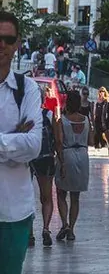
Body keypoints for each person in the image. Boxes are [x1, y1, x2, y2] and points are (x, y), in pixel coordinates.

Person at [0, 10, 41, 274]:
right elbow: (21, 144)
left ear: (17, 45)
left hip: (12, 213)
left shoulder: (27, 90)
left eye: (8, 39)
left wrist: (12, 142)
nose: (1, 45)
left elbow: (34, 145)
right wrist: (12, 138)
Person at [53, 89, 90, 242]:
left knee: (61, 193)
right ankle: (72, 230)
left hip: (67, 154)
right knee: (76, 196)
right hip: (83, 155)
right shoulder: (86, 120)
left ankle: (65, 224)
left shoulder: (62, 120)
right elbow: (91, 140)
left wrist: (61, 162)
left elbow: (59, 142)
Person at [28, 97, 57, 247]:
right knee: (46, 197)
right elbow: (58, 137)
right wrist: (60, 158)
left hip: (26, 159)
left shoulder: (23, 115)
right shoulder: (48, 114)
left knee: (26, 197)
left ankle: (30, 233)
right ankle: (46, 229)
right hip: (45, 157)